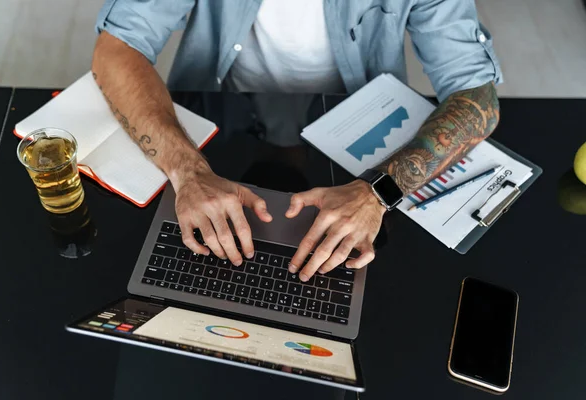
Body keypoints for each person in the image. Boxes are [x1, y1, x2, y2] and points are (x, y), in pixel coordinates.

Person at [92, 0, 502, 282]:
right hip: (215, 133)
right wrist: (188, 169)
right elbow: (116, 48)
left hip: (364, 150)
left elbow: (477, 94)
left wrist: (379, 192)